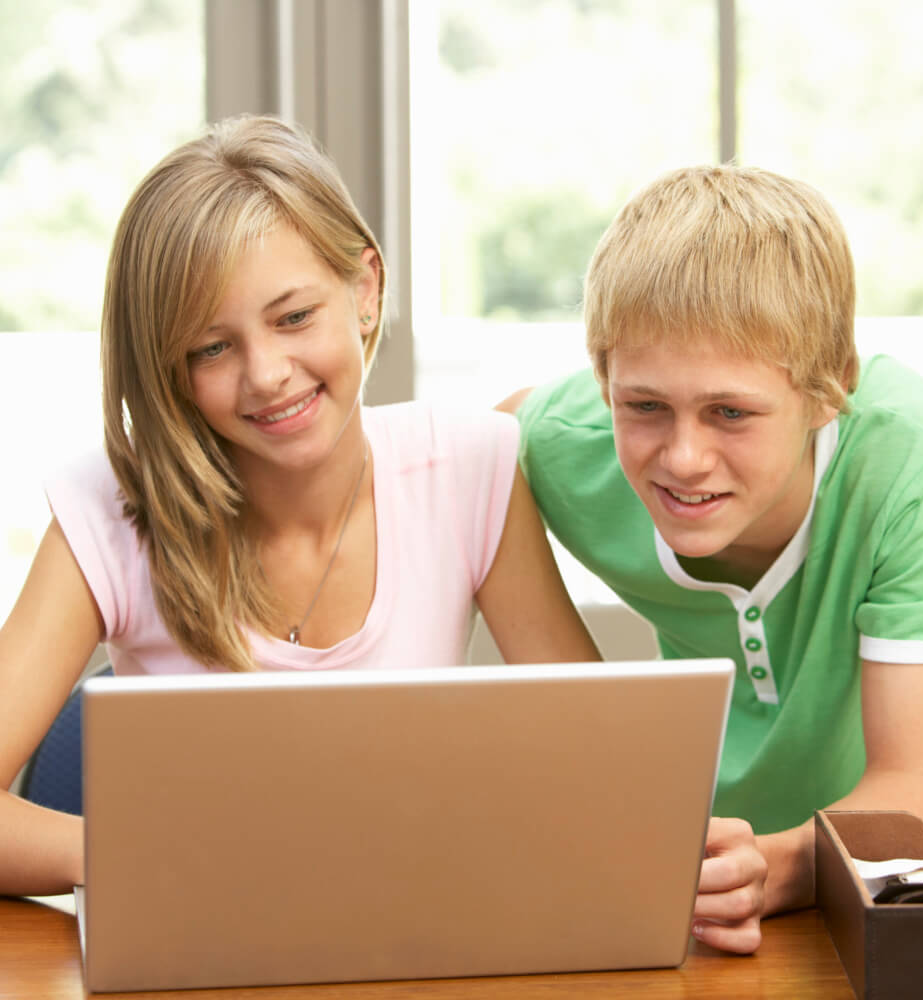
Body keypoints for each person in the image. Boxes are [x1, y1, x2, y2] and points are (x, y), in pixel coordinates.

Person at [0, 115, 608, 899]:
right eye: (211, 348)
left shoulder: (469, 467)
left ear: (365, 291)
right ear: (168, 368)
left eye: (293, 318)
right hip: (198, 940)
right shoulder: (110, 510)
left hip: (406, 933)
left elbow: (603, 768)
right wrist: (141, 854)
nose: (267, 374)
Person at [501, 164, 923, 930]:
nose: (684, 458)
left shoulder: (922, 463)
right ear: (603, 381)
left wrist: (769, 868)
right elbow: (454, 463)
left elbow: (916, 798)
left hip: (893, 902)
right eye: (645, 405)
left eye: (730, 413)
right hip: (690, 892)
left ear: (830, 388)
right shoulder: (558, 445)